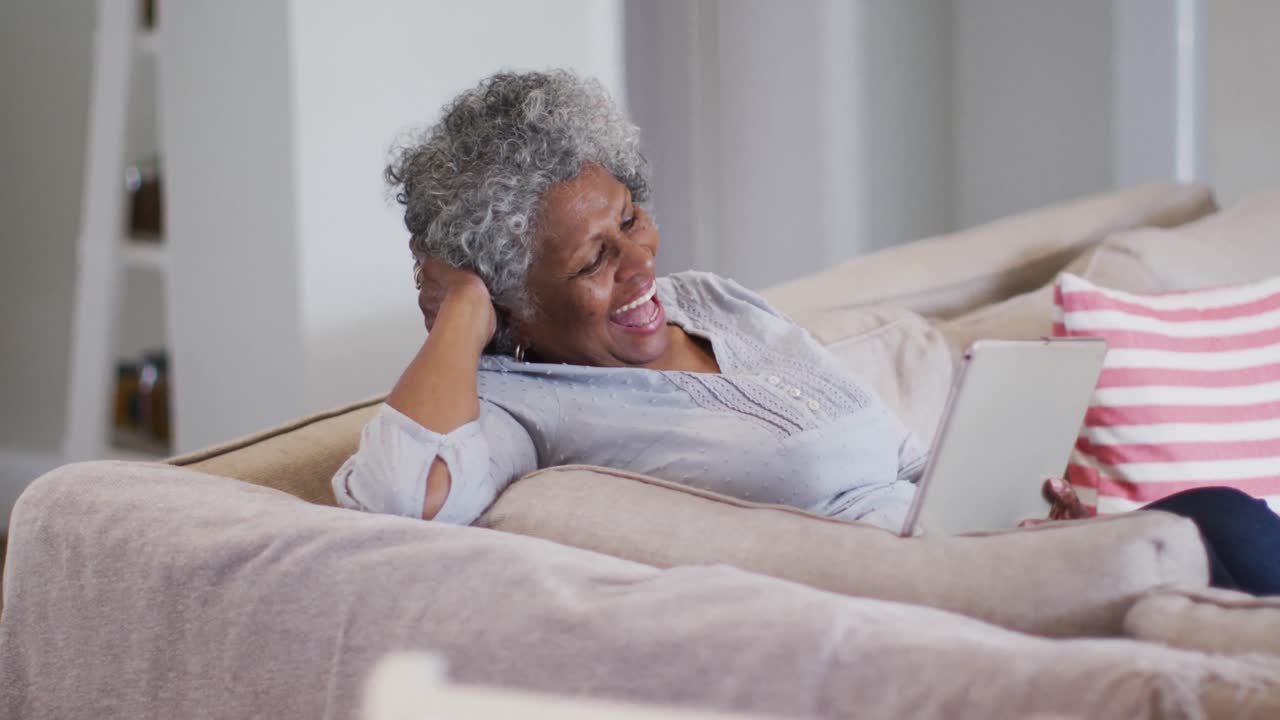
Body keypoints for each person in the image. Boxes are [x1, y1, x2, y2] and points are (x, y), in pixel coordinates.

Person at [333, 69, 1280, 596]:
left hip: (991, 548)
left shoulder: (717, 300)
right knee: (1228, 525)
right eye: (591, 261)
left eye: (632, 216)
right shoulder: (518, 401)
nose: (639, 263)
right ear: (512, 301)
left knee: (1225, 514)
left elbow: (905, 461)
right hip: (928, 601)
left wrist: (1018, 504)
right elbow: (397, 496)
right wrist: (461, 308)